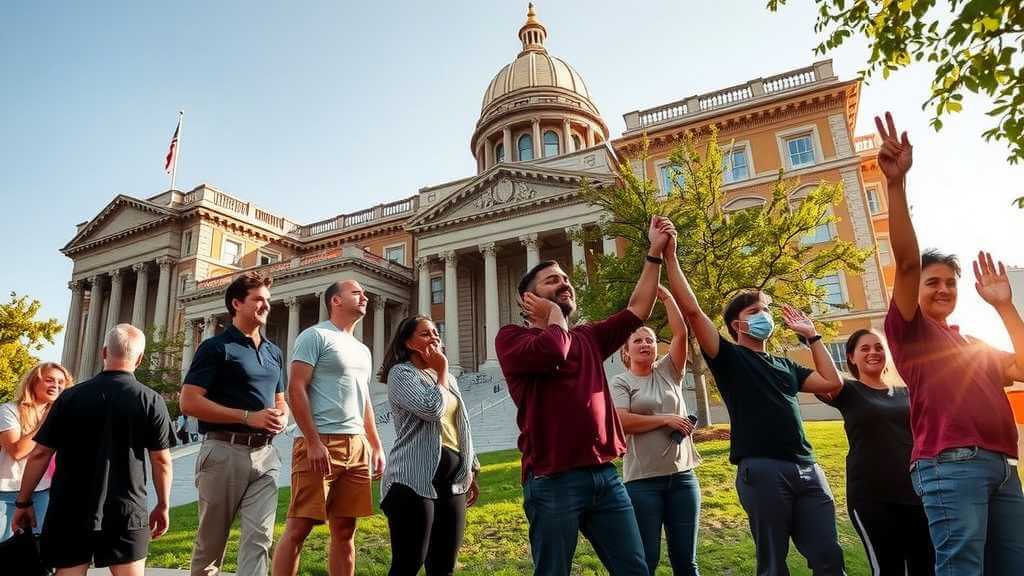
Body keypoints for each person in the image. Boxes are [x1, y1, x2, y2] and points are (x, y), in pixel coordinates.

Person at [877, 111, 1024, 573]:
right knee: (962, 568)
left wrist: (1004, 305)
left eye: (950, 284)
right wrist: (897, 185)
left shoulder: (973, 343)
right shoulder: (911, 330)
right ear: (915, 290)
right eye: (932, 281)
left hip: (1003, 468)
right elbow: (904, 263)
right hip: (950, 466)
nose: (942, 289)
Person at [495, 216, 674, 576]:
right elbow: (553, 351)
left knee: (635, 569)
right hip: (552, 479)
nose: (565, 285)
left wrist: (653, 253)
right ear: (527, 298)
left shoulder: (587, 337)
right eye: (553, 281)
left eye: (566, 280)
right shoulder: (512, 338)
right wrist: (556, 319)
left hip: (604, 476)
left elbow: (638, 308)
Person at [661, 231, 845, 576]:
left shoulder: (786, 365)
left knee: (828, 557)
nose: (766, 316)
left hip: (808, 470)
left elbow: (832, 384)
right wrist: (671, 257)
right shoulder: (728, 357)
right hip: (762, 471)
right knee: (773, 566)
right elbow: (693, 311)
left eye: (767, 310)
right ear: (738, 324)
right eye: (757, 310)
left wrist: (813, 336)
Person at [11, 324, 172, 576]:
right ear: (139, 359)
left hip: (70, 508)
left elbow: (40, 453)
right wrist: (163, 504)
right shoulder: (151, 400)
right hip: (127, 509)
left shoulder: (69, 397)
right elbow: (161, 460)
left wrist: (23, 501)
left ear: (104, 352)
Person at [272, 280, 386, 576]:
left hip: (357, 445)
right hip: (319, 442)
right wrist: (312, 441)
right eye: (357, 292)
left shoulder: (363, 350)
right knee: (299, 526)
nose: (365, 296)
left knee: (346, 529)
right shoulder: (315, 336)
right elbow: (296, 387)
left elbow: (364, 401)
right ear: (335, 300)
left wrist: (375, 444)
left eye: (364, 292)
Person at [180, 271, 289, 576]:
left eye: (268, 300)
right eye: (258, 300)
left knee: (260, 538)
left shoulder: (273, 352)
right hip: (223, 453)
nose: (266, 306)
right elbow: (189, 401)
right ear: (237, 303)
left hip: (266, 456)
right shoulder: (215, 348)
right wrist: (246, 416)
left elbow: (281, 399)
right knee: (211, 546)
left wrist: (283, 416)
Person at [816, 329, 934, 575]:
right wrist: (813, 338)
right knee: (888, 567)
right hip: (872, 497)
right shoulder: (847, 390)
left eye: (879, 347)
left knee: (925, 566)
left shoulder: (906, 393)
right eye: (865, 348)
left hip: (917, 493)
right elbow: (825, 379)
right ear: (851, 357)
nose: (874, 352)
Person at [379, 315, 479, 576]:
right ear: (409, 343)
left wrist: (472, 466)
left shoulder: (448, 380)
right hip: (412, 481)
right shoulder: (401, 374)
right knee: (408, 564)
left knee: (443, 566)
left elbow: (461, 423)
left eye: (436, 333)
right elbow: (431, 409)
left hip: (452, 484)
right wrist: (443, 370)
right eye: (425, 334)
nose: (434, 337)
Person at [611, 285, 701, 576]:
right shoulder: (621, 382)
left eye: (649, 340)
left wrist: (666, 297)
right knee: (646, 561)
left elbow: (681, 334)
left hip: (683, 478)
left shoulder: (669, 371)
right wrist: (666, 420)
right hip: (642, 482)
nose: (645, 344)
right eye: (637, 340)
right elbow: (622, 421)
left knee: (686, 562)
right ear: (626, 352)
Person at [0, 362, 73, 541]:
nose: (56, 386)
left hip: (43, 492)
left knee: (39, 553)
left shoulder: (65, 417)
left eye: (60, 382)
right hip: (6, 492)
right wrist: (46, 422)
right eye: (50, 380)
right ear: (34, 381)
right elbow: (16, 451)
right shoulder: (9, 410)